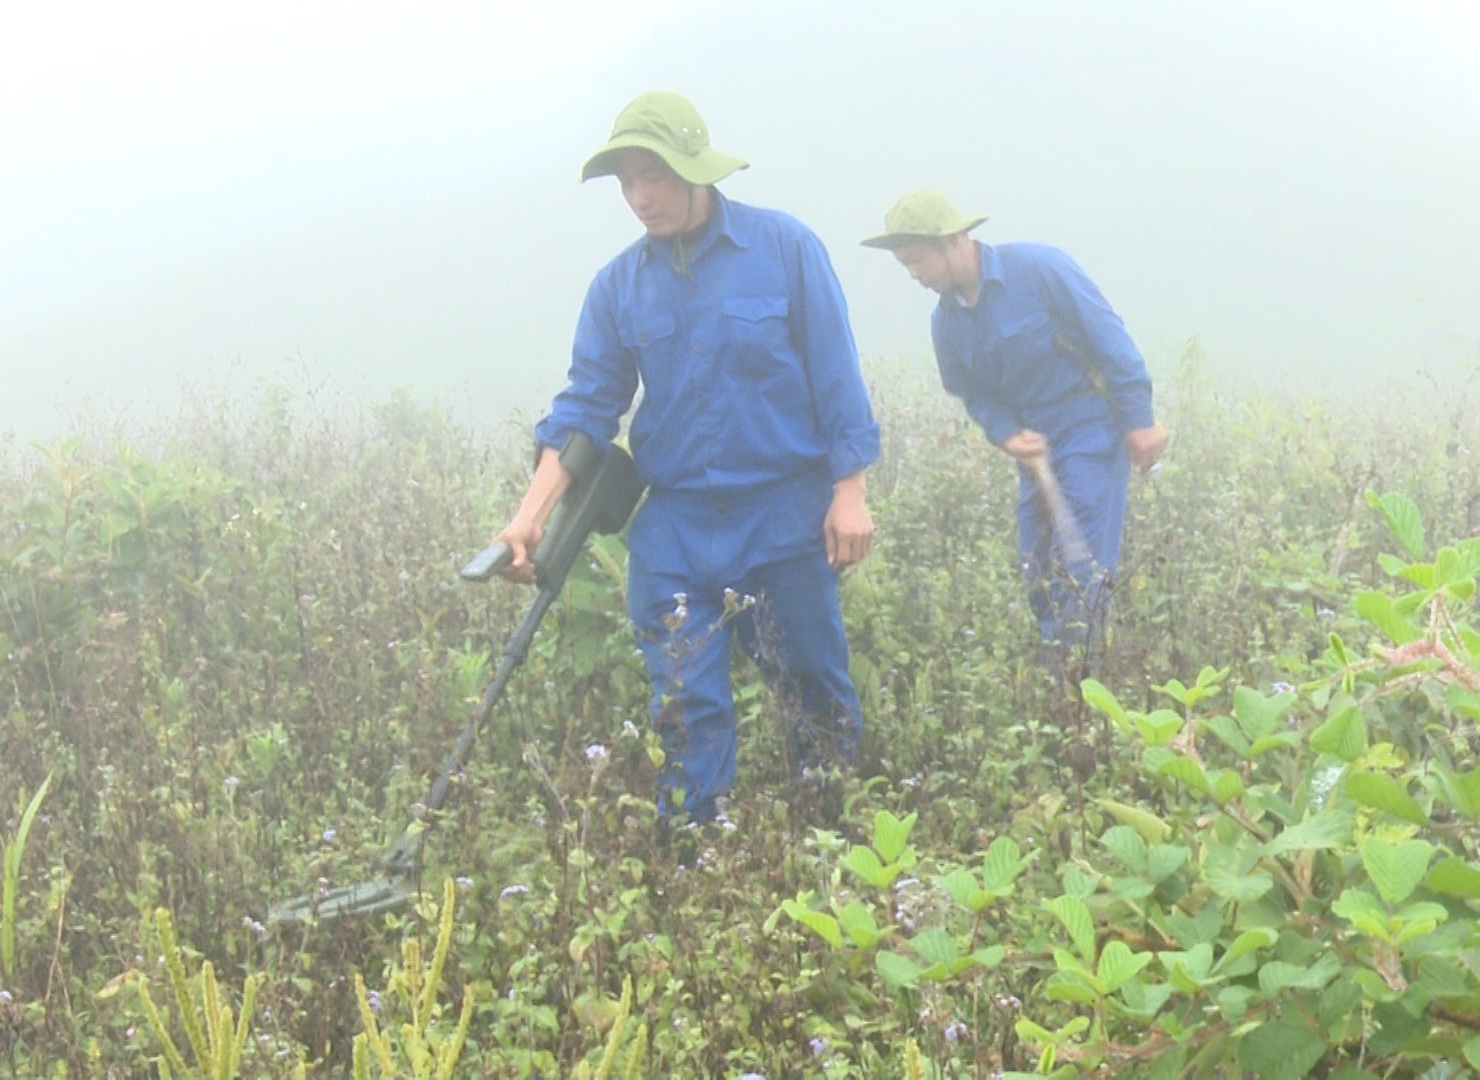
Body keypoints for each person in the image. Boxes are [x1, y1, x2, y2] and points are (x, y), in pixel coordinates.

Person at [493, 91, 880, 825]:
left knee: (812, 690)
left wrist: (849, 491)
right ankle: (694, 860)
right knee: (683, 704)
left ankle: (826, 843)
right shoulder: (617, 287)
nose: (641, 197)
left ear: (696, 170)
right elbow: (584, 411)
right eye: (627, 182)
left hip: (782, 517)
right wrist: (527, 521)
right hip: (674, 529)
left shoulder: (786, 250)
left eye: (656, 176)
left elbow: (837, 379)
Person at [863, 190, 1166, 664]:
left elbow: (1109, 336)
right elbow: (972, 392)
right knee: (1038, 570)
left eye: (917, 260)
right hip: (1035, 445)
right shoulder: (945, 323)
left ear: (953, 240)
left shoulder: (1040, 269)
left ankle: (1075, 689)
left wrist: (1139, 418)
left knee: (1081, 565)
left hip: (1089, 425)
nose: (914, 274)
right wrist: (1005, 433)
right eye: (905, 265)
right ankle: (1058, 681)